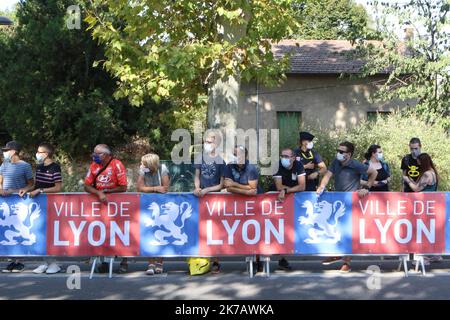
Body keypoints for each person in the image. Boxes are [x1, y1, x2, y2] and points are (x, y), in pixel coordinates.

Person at [317, 141, 377, 272]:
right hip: (338, 201)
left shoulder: (355, 164)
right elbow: (327, 175)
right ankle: (336, 254)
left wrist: (366, 187)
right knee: (336, 229)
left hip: (352, 202)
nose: (338, 153)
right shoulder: (335, 162)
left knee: (349, 232)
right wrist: (322, 186)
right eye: (338, 150)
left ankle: (347, 263)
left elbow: (374, 173)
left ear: (348, 154)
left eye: (341, 151)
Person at [84, 144, 128, 273]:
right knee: (101, 232)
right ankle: (104, 262)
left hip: (116, 204)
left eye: (98, 153)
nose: (94, 155)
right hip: (100, 204)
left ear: (107, 155)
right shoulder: (93, 165)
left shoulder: (117, 164)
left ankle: (124, 261)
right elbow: (87, 186)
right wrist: (99, 193)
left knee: (120, 232)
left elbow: (123, 187)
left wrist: (108, 190)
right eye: (94, 153)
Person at [224, 145, 263, 272]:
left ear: (245, 156)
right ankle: (248, 258)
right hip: (237, 205)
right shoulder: (229, 166)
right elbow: (227, 187)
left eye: (239, 155)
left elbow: (253, 188)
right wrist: (246, 190)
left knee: (255, 232)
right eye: (234, 154)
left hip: (254, 204)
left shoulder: (251, 168)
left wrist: (234, 185)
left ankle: (258, 260)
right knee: (240, 232)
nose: (237, 157)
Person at [28, 143, 64, 274]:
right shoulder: (39, 167)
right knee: (38, 233)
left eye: (39, 152)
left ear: (46, 154)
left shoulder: (55, 167)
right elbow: (35, 185)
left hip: (51, 204)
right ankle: (44, 263)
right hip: (38, 205)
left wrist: (41, 190)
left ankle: (54, 263)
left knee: (49, 234)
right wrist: (25, 190)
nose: (37, 154)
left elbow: (58, 187)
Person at [193, 131, 226, 273]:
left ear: (216, 144)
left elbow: (221, 185)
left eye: (210, 142)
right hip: (200, 198)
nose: (207, 144)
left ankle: (216, 261)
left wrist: (208, 190)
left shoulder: (221, 161)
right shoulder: (199, 158)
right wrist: (197, 187)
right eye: (205, 142)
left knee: (215, 231)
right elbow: (197, 176)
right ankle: (201, 258)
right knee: (200, 229)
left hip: (214, 199)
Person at [0, 141, 34, 273]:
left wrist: (23, 190)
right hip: (5, 203)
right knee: (6, 230)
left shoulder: (25, 166)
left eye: (6, 150)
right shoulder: (4, 165)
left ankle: (19, 261)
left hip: (19, 203)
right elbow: (0, 181)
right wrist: (1, 189)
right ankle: (11, 260)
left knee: (18, 230)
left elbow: (31, 184)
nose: (4, 152)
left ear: (13, 151)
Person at [272, 147, 306, 271]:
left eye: (287, 156)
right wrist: (285, 190)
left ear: (293, 158)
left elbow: (302, 186)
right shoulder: (277, 166)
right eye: (282, 156)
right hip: (278, 201)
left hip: (294, 200)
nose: (284, 158)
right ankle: (279, 258)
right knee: (279, 229)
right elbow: (279, 186)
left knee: (293, 228)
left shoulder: (299, 165)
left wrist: (286, 191)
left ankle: (286, 256)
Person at [137, 153, 170, 275]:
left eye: (143, 163)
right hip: (147, 204)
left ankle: (160, 263)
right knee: (149, 233)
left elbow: (165, 188)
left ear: (150, 164)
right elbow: (139, 188)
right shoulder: (142, 170)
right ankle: (150, 263)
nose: (141, 165)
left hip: (162, 204)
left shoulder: (163, 168)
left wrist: (151, 188)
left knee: (161, 233)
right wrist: (155, 188)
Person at [404, 153, 440, 265]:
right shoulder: (433, 173)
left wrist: (407, 180)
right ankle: (435, 254)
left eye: (419, 163)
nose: (418, 165)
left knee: (422, 231)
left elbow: (416, 188)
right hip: (429, 204)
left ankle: (423, 258)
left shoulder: (427, 174)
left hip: (423, 205)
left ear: (423, 162)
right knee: (429, 230)